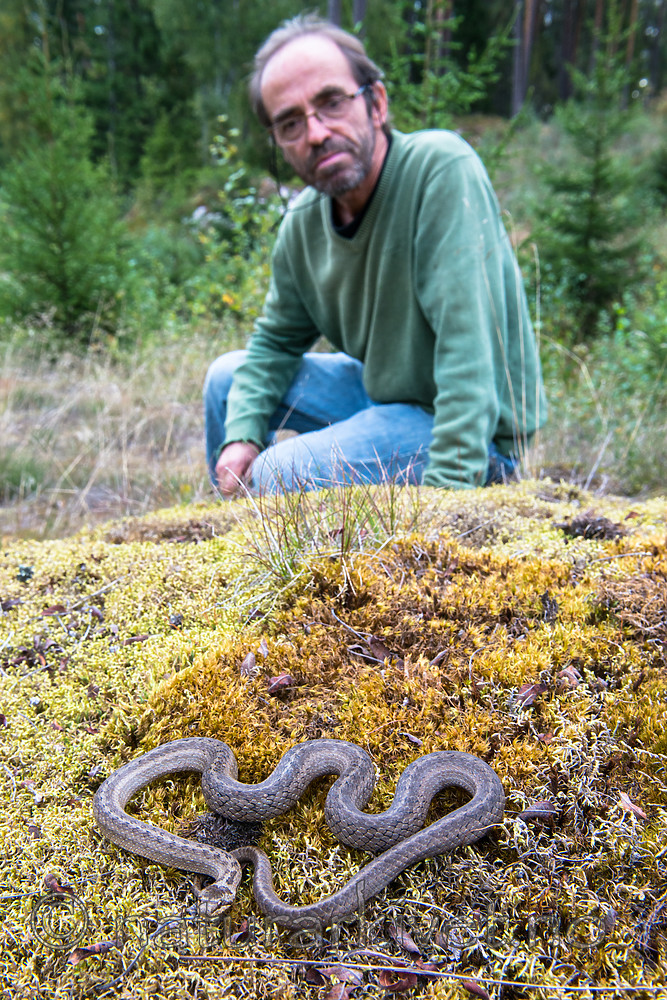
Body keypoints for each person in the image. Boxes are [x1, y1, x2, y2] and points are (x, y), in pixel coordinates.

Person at [204, 15, 546, 497]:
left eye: (331, 103)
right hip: (382, 397)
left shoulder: (439, 170)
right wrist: (240, 437)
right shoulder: (303, 225)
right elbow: (276, 344)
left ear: (377, 103)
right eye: (290, 123)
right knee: (227, 382)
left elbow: (470, 350)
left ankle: (274, 537)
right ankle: (241, 544)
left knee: (281, 471)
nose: (316, 133)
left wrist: (448, 509)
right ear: (279, 142)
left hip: (474, 431)